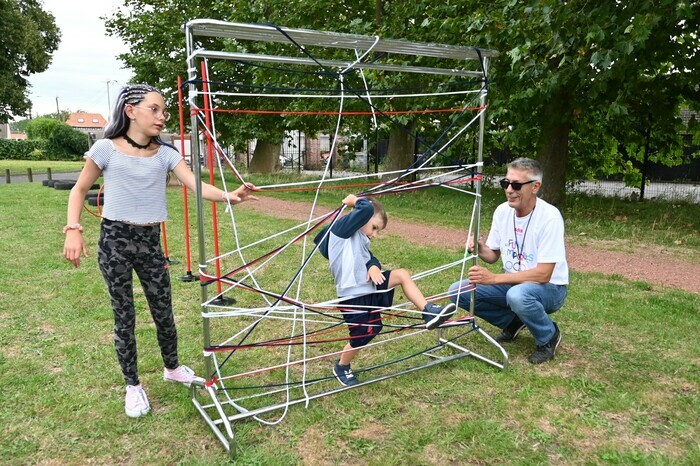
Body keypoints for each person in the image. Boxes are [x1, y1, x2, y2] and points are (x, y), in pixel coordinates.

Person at [62, 84, 259, 418]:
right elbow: (80, 190)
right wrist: (73, 229)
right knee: (124, 316)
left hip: (151, 242)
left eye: (164, 111)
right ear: (130, 110)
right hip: (115, 241)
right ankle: (133, 386)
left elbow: (197, 184)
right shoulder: (105, 148)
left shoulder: (167, 153)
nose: (161, 116)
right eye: (154, 109)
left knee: (164, 311)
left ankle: (172, 368)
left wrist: (229, 196)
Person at [314, 194, 457, 386]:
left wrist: (373, 265)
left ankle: (428, 311)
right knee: (363, 335)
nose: (374, 234)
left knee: (401, 275)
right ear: (360, 216)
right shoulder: (340, 231)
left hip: (370, 286)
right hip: (352, 296)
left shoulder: (360, 237)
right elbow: (364, 210)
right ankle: (342, 366)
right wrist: (355, 201)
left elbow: (369, 257)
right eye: (374, 227)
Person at [448, 158, 568, 364]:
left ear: (535, 187)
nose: (509, 190)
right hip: (512, 285)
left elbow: (544, 274)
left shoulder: (550, 217)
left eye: (516, 185)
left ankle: (548, 336)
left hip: (549, 288)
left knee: (517, 295)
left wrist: (494, 279)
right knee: (457, 291)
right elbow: (492, 255)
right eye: (506, 183)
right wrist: (479, 247)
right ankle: (514, 322)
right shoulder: (502, 211)